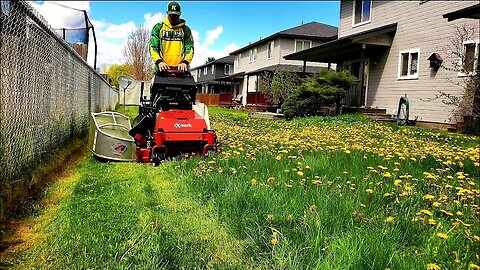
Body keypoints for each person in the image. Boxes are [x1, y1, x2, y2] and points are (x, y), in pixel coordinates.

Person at [149, 1, 194, 73]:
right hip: (162, 69)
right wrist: (159, 61)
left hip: (181, 70)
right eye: (171, 16)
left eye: (176, 16)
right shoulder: (158, 27)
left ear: (180, 15)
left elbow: (190, 48)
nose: (174, 18)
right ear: (167, 14)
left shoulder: (185, 30)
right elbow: (153, 47)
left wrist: (185, 62)